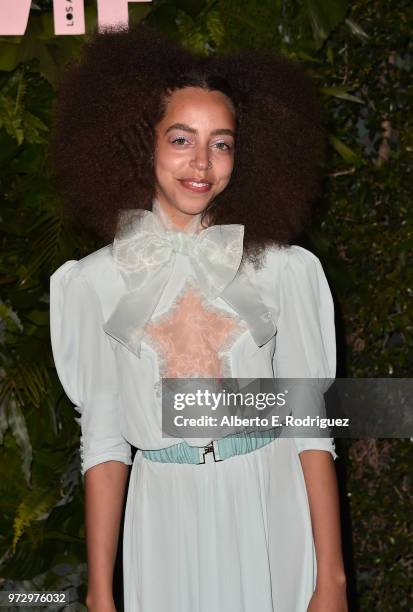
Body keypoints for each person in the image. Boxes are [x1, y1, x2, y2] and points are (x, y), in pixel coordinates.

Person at [49, 22, 347, 612]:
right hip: (162, 519)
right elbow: (106, 443)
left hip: (271, 507)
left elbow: (310, 426)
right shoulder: (92, 284)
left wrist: (332, 579)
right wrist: (101, 595)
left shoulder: (284, 272)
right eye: (181, 139)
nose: (204, 164)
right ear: (142, 142)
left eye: (223, 142)